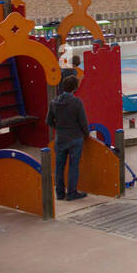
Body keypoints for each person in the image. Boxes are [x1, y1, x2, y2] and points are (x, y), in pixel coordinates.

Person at [47, 73, 89, 201]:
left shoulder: (54, 102)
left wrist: (58, 127)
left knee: (59, 167)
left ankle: (60, 193)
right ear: (75, 88)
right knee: (73, 166)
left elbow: (48, 121)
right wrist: (86, 134)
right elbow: (83, 122)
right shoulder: (77, 102)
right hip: (75, 138)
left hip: (60, 138)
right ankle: (72, 193)